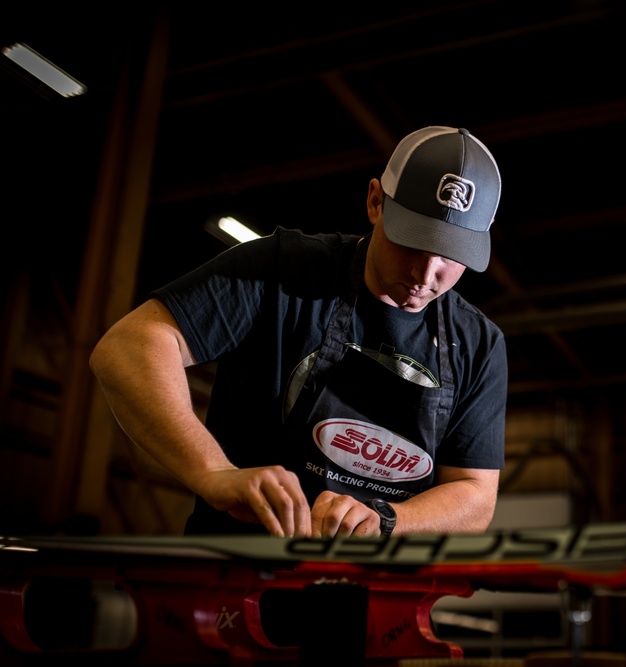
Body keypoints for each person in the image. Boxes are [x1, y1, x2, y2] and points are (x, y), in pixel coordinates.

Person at [89, 126, 507, 539]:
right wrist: (214, 472)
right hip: (240, 579)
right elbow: (128, 347)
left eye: (450, 256)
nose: (425, 274)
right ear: (376, 202)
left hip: (374, 593)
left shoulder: (478, 343)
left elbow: (475, 495)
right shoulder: (281, 271)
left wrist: (387, 519)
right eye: (412, 243)